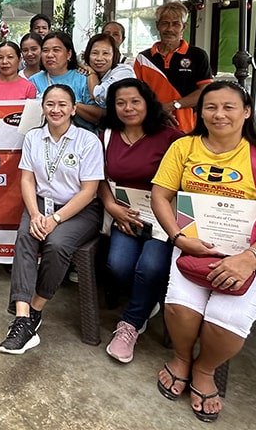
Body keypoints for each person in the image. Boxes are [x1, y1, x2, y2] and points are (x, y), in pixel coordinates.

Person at [150, 81, 256, 422]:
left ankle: (205, 370)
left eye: (229, 107)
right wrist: (176, 237)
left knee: (227, 316)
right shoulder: (184, 148)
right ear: (199, 112)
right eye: (210, 107)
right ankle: (182, 358)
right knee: (181, 307)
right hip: (194, 248)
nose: (218, 114)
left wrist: (249, 260)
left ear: (246, 112)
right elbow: (161, 196)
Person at [0, 84, 103, 354]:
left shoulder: (87, 140)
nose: (56, 110)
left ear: (73, 109)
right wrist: (34, 214)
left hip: (79, 210)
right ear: (43, 108)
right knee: (25, 236)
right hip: (41, 205)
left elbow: (89, 191)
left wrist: (55, 218)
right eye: (50, 104)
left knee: (56, 245)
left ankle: (35, 308)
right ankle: (22, 320)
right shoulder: (34, 137)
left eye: (62, 105)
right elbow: (27, 179)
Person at [98, 78, 182, 363]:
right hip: (126, 216)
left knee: (150, 268)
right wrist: (111, 205)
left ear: (148, 102)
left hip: (163, 219)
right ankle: (146, 301)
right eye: (120, 103)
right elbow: (99, 177)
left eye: (135, 101)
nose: (128, 108)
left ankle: (131, 324)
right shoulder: (108, 135)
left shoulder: (171, 137)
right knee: (118, 267)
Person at [134, 2, 213, 133]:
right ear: (157, 26)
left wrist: (172, 106)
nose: (170, 29)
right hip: (151, 127)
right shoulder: (143, 58)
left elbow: (206, 92)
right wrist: (158, 110)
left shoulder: (198, 55)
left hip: (188, 128)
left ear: (184, 27)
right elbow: (135, 94)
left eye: (176, 24)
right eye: (165, 23)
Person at [28, 32, 104, 129]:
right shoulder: (33, 81)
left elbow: (98, 116)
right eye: (45, 50)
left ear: (68, 54)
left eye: (56, 50)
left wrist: (71, 104)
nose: (50, 55)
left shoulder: (83, 78)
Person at [80, 33, 135, 107]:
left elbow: (98, 94)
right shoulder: (84, 73)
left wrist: (91, 73)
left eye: (105, 53)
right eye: (94, 53)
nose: (99, 58)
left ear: (114, 55)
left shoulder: (124, 71)